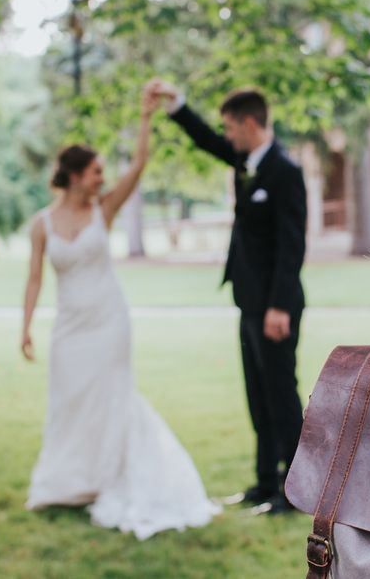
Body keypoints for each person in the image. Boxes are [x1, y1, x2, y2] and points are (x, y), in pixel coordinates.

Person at [20, 86, 218, 537]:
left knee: (111, 399)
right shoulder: (41, 224)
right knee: (69, 401)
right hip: (69, 326)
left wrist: (146, 117)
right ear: (74, 176)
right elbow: (33, 279)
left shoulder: (104, 210)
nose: (101, 180)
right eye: (95, 172)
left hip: (109, 321)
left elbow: (139, 165)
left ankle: (107, 477)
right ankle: (66, 482)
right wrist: (26, 327)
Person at [147, 80, 307, 515]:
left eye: (231, 127)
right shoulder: (244, 161)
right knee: (257, 395)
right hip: (248, 301)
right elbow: (206, 141)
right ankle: (264, 482)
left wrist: (278, 306)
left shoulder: (285, 171)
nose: (227, 135)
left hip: (275, 306)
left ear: (250, 123)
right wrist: (177, 106)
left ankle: (294, 491)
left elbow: (292, 244)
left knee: (281, 396)